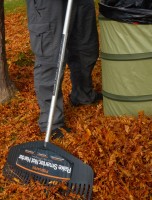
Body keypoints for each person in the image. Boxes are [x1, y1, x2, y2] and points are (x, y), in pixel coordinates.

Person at [26, 0, 102, 139]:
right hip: (49, 5)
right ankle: (51, 122)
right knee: (51, 56)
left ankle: (82, 94)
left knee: (85, 48)